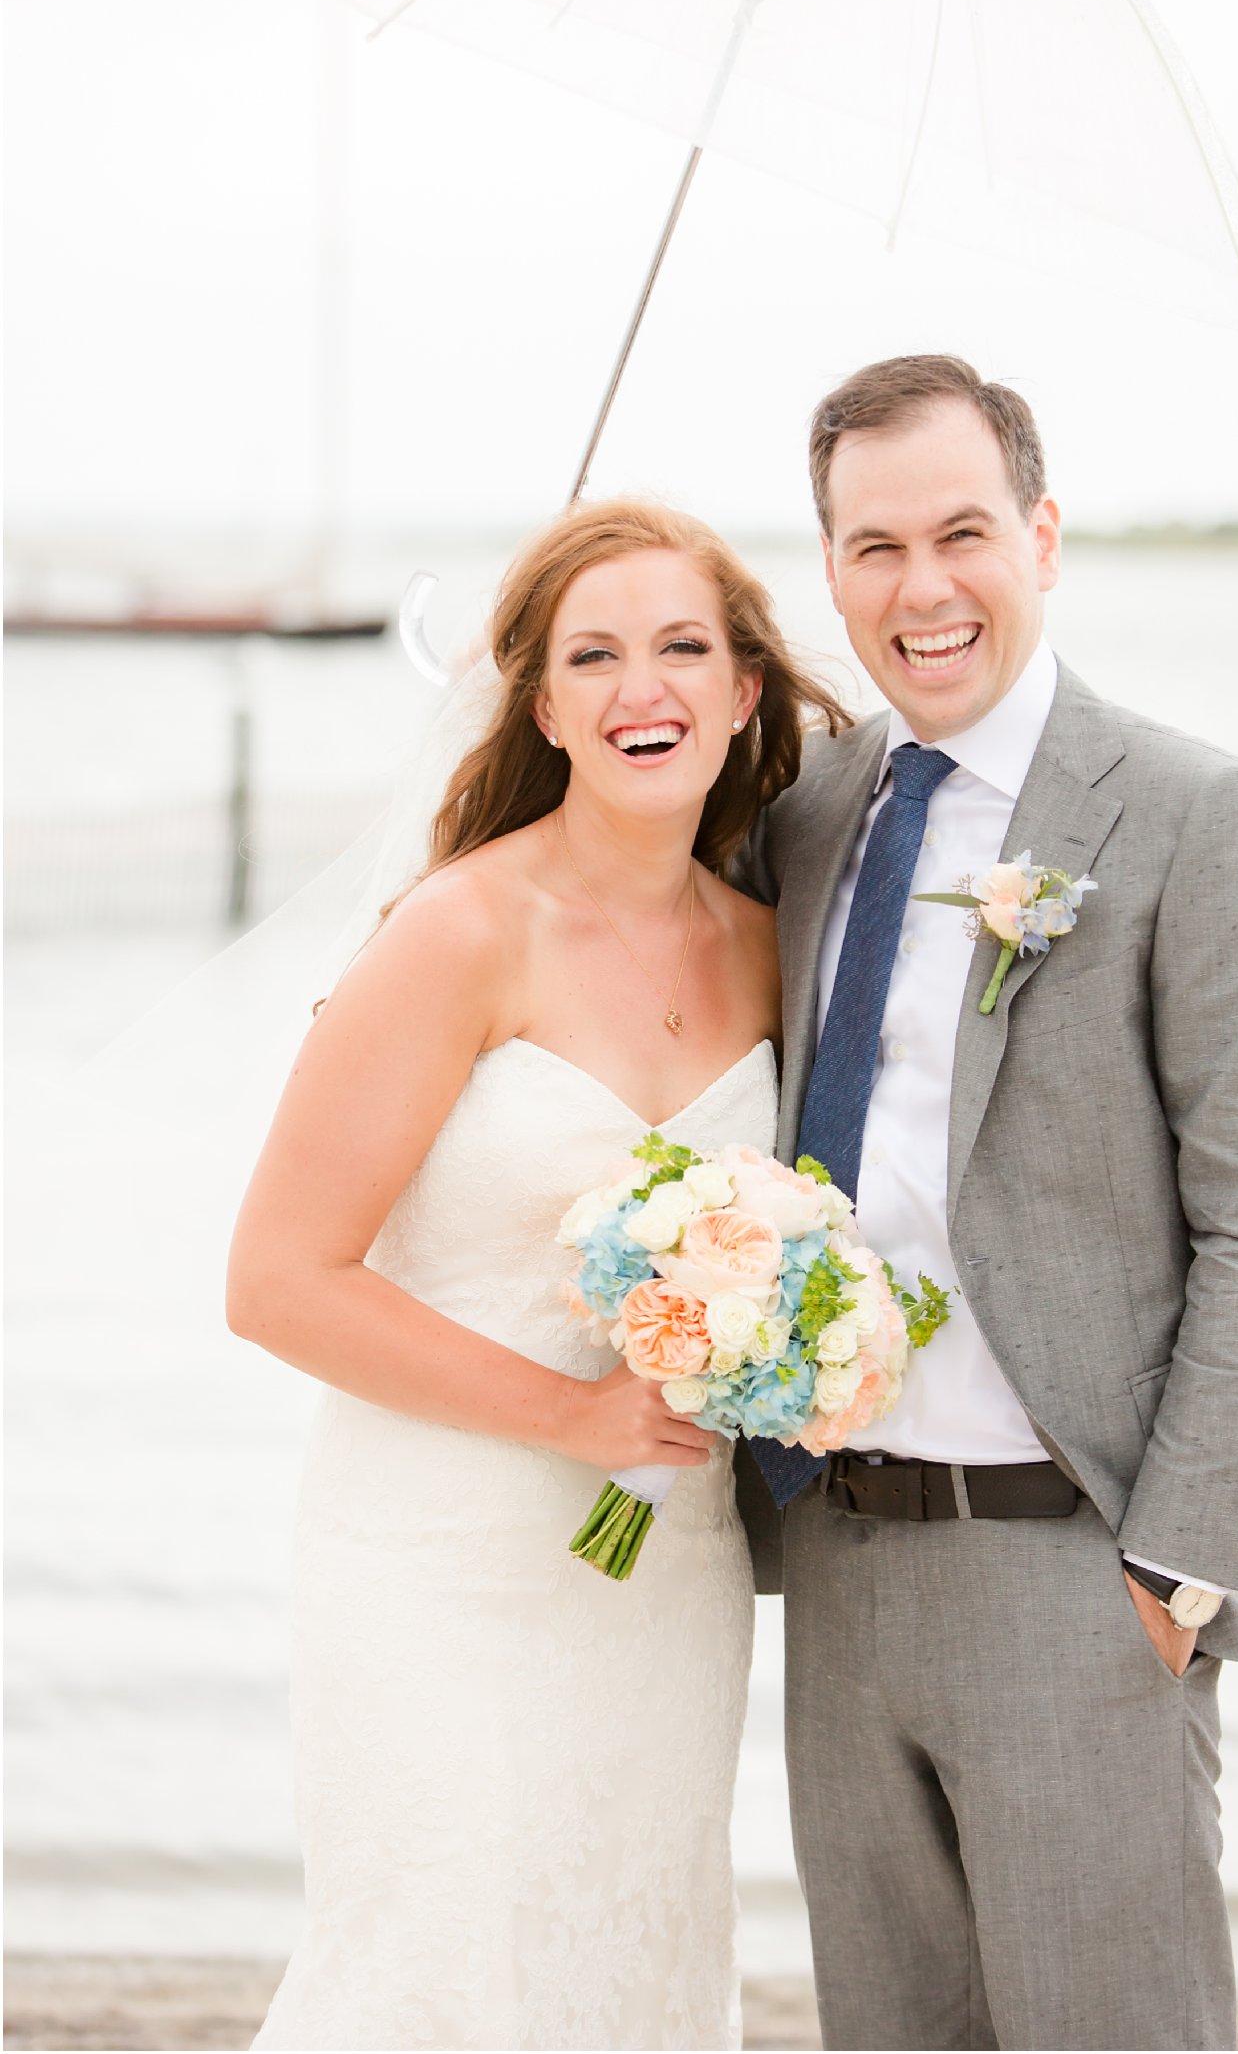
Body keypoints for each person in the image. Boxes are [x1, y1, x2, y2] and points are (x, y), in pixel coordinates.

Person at [734, 356, 1238, 2052]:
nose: (920, 589)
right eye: (872, 547)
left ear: (1045, 534)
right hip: (843, 1565)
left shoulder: (1197, 818)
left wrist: (1177, 1572)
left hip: (1082, 1574)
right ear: (832, 566)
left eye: (961, 532)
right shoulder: (803, 819)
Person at [228, 496, 846, 2053]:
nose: (646, 687)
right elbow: (278, 1280)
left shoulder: (776, 947)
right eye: (597, 654)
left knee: (629, 1957)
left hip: (665, 1566)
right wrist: (567, 1419)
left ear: (744, 691)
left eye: (684, 647)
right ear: (547, 704)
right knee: (440, 1967)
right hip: (439, 1559)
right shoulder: (453, 931)